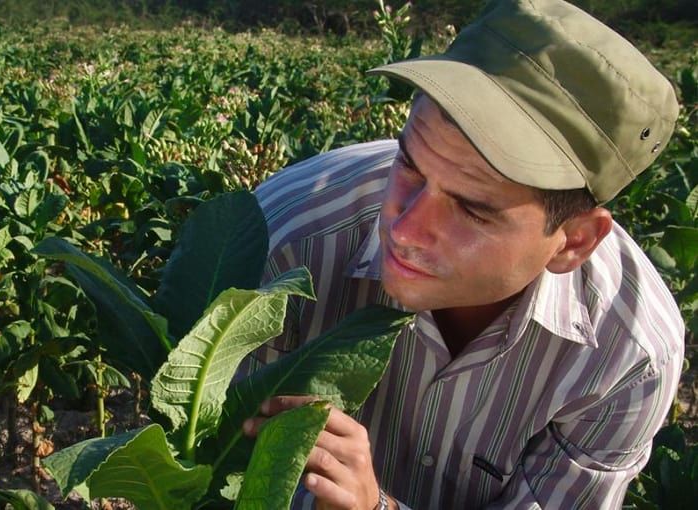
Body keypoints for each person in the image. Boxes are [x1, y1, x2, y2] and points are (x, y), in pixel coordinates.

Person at [241, 0, 686, 508]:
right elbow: (221, 468)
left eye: (473, 210)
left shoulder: (627, 354)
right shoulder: (287, 239)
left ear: (574, 241)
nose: (405, 228)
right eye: (409, 166)